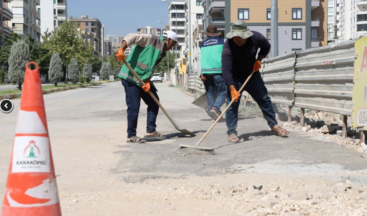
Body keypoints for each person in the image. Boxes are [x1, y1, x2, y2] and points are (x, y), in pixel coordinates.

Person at [222, 20, 289, 143]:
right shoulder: (228, 46)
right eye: (235, 37)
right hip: (235, 77)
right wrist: (232, 88)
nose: (237, 40)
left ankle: (274, 125)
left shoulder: (257, 37)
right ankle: (232, 132)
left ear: (246, 35)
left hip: (252, 75)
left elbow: (266, 47)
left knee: (264, 98)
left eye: (240, 37)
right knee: (232, 104)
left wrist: (259, 59)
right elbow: (226, 70)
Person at [116, 31, 178, 143]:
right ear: (168, 40)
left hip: (142, 80)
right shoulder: (152, 39)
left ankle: (151, 131)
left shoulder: (161, 51)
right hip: (130, 77)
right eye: (172, 45)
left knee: (154, 101)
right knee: (134, 107)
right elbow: (131, 36)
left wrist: (147, 81)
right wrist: (122, 49)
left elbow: (148, 66)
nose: (171, 49)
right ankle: (131, 135)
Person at [200, 25, 227, 120]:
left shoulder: (203, 44)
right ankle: (215, 108)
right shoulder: (222, 42)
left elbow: (202, 59)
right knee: (222, 92)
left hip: (206, 72)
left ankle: (213, 116)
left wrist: (201, 73)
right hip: (218, 71)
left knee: (210, 93)